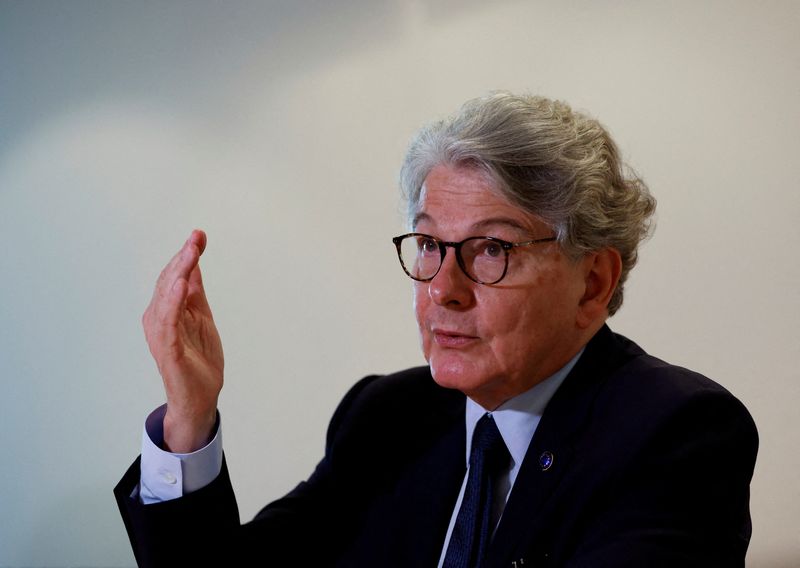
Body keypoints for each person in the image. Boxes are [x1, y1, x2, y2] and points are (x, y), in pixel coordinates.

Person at [115, 93, 758, 567]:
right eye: (429, 243)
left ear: (591, 283)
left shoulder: (677, 434)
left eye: (491, 250)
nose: (442, 290)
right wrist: (189, 419)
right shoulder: (387, 415)